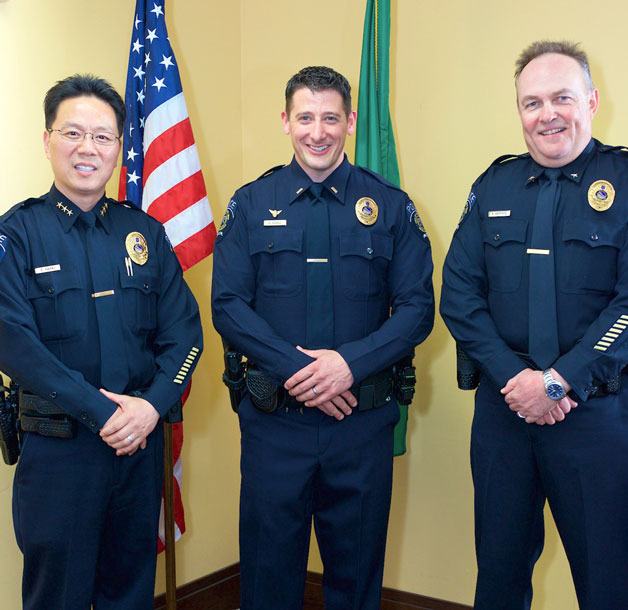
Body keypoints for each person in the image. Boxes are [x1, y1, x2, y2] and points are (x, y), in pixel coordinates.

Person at [212, 66, 434, 609]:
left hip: (360, 424)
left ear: (351, 121)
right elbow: (229, 306)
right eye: (305, 117)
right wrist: (301, 370)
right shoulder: (250, 203)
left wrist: (348, 366)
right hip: (275, 428)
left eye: (331, 117)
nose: (318, 131)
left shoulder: (390, 206)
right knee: (267, 576)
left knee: (356, 578)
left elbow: (417, 309)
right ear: (285, 120)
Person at [0, 74, 202, 609]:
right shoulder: (16, 234)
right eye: (73, 133)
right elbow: (13, 341)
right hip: (61, 453)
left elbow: (185, 332)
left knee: (130, 593)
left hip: (138, 449)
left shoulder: (145, 233)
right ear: (47, 140)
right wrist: (103, 413)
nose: (88, 148)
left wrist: (152, 407)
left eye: (103, 136)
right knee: (57, 598)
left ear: (119, 147)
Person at [441, 41, 628, 610]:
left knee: (608, 579)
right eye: (532, 102)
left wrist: (559, 380)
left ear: (592, 101)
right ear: (519, 111)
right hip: (505, 415)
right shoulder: (493, 186)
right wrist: (518, 381)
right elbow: (459, 295)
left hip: (595, 417)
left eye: (562, 98)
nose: (547, 114)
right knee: (498, 575)